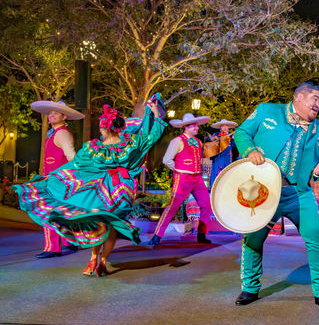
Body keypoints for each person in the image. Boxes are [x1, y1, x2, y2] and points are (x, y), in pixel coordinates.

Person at [13, 95, 167, 276]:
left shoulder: (94, 148)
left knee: (97, 223)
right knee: (111, 225)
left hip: (99, 190)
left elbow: (76, 163)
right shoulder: (133, 144)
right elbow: (153, 136)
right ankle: (102, 262)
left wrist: (54, 176)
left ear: (104, 127)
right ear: (119, 128)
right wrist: (157, 115)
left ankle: (93, 258)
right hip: (121, 191)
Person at [232, 82, 319, 311]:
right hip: (264, 190)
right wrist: (249, 151)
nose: (317, 104)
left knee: (315, 237)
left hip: (299, 193)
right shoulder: (267, 111)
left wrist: (318, 170)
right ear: (299, 97)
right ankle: (250, 288)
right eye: (314, 98)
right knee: (253, 239)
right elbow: (242, 132)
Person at [28, 100, 84, 258]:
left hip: (57, 181)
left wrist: (63, 177)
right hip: (53, 180)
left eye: (56, 112)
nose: (51, 115)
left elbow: (72, 158)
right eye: (50, 112)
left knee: (48, 211)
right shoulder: (54, 133)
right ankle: (69, 242)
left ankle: (52, 247)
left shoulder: (61, 133)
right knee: (60, 212)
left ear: (64, 116)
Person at [147, 113, 213, 246]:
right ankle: (157, 235)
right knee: (173, 206)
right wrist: (179, 169)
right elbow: (167, 160)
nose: (197, 128)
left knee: (206, 204)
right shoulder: (177, 141)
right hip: (183, 178)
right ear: (186, 127)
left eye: (197, 126)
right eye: (194, 126)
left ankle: (201, 234)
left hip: (197, 178)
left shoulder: (198, 142)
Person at [207, 118, 238, 187]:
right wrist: (213, 139)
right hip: (218, 155)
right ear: (220, 127)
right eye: (223, 126)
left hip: (227, 155)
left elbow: (234, 146)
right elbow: (209, 141)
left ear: (228, 127)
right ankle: (214, 186)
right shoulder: (216, 134)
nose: (225, 128)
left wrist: (233, 138)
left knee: (226, 170)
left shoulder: (230, 135)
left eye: (226, 126)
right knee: (217, 169)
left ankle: (226, 187)